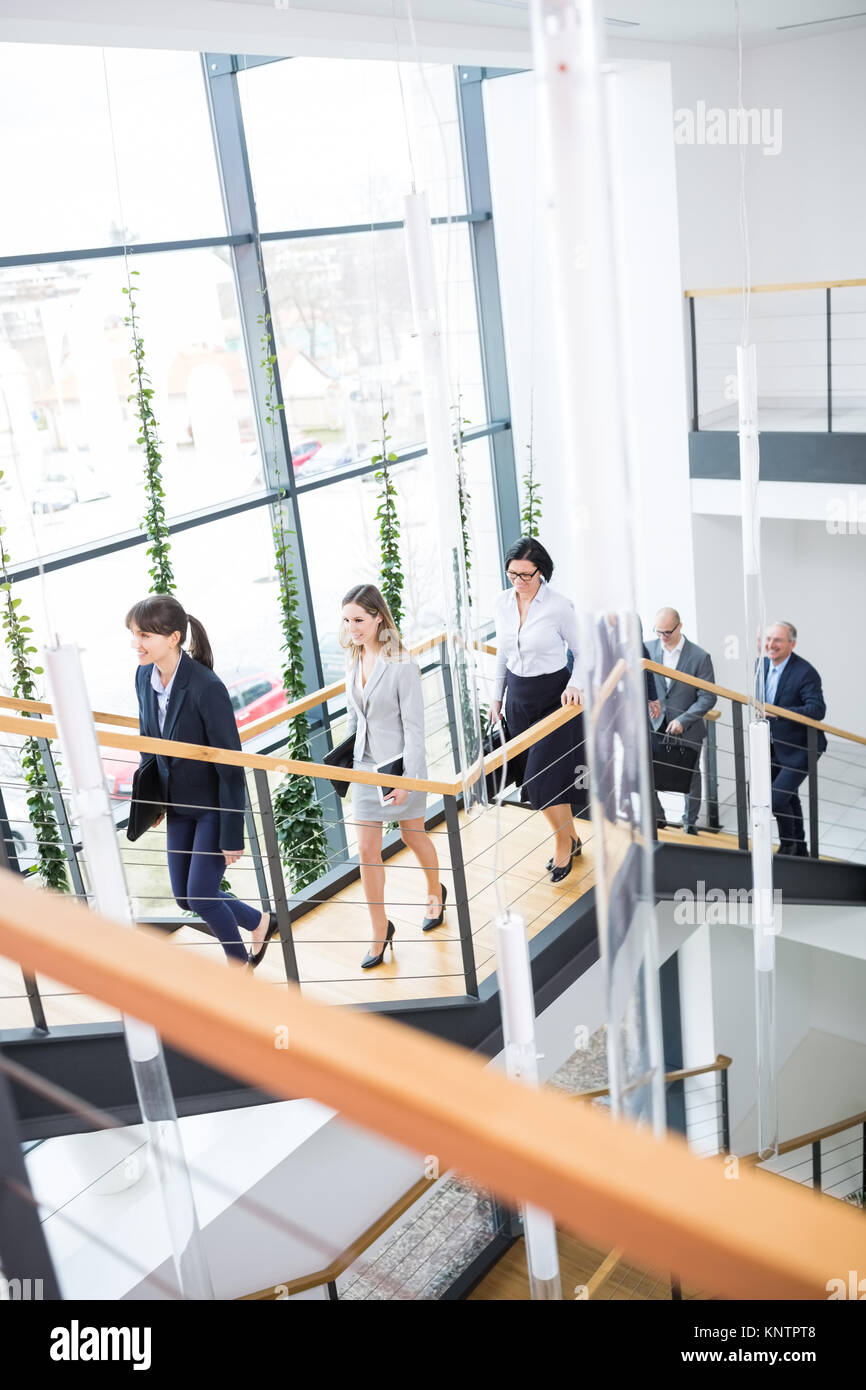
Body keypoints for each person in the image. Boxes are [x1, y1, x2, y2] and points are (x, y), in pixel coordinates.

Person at [128, 595, 276, 970]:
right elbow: (149, 742)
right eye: (134, 634)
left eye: (144, 635)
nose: (136, 643)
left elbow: (230, 764)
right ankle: (259, 922)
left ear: (173, 637)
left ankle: (238, 965)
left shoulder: (206, 687)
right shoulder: (144, 677)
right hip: (177, 807)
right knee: (185, 898)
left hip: (211, 808)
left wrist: (231, 834)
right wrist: (153, 802)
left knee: (203, 895)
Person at [342, 583, 445, 969]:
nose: (352, 628)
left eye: (359, 620)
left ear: (377, 617)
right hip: (365, 771)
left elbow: (416, 730)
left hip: (399, 767)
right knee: (367, 853)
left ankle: (435, 891)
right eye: (347, 620)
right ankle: (379, 929)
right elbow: (356, 718)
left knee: (412, 834)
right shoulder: (352, 661)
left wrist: (406, 779)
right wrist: (349, 767)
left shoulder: (402, 663)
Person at [491, 537, 587, 884]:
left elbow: (583, 651)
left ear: (541, 572)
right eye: (512, 573)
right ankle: (572, 837)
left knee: (539, 780)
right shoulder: (501, 603)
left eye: (526, 575)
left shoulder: (559, 606)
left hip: (555, 698)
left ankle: (563, 844)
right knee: (546, 782)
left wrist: (576, 683)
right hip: (518, 699)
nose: (518, 581)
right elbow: (502, 653)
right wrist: (496, 697)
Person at [646, 608, 716, 834]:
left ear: (680, 626)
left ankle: (689, 825)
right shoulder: (647, 649)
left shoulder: (699, 656)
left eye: (667, 632)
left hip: (688, 728)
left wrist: (684, 720)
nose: (662, 637)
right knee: (647, 772)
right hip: (654, 724)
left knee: (691, 778)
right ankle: (658, 819)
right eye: (658, 632)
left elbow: (708, 697)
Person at [762, 621, 827, 857]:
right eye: (768, 639)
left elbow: (817, 710)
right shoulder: (761, 666)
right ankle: (799, 848)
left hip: (800, 747)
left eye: (778, 640)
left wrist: (781, 712)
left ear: (792, 643)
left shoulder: (805, 672)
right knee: (788, 797)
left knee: (776, 799)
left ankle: (789, 845)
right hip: (772, 744)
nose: (771, 644)